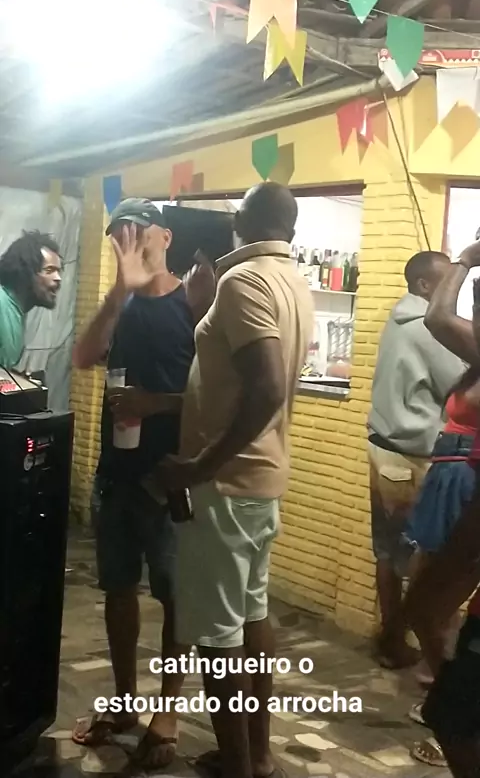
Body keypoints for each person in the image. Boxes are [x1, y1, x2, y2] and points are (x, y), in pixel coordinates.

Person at [138, 182, 313, 778]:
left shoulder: (244, 281)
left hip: (227, 486)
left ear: (241, 219)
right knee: (252, 614)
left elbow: (265, 386)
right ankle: (256, 755)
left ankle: (239, 766)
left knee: (217, 639)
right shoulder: (291, 280)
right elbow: (237, 380)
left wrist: (198, 467)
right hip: (259, 481)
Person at [71, 198, 214, 767]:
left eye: (139, 232)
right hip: (117, 472)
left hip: (171, 477)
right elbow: (83, 356)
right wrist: (117, 293)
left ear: (165, 237)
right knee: (118, 589)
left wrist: (156, 404)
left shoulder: (194, 301)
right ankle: (125, 700)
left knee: (175, 597)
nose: (129, 242)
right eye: (120, 234)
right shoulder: (122, 304)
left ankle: (168, 711)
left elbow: (214, 396)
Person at [367, 250, 465, 669]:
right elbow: (459, 381)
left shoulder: (399, 317)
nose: (454, 289)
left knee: (389, 553)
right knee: (425, 559)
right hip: (411, 456)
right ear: (424, 286)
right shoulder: (427, 326)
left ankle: (390, 639)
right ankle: (414, 647)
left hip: (385, 448)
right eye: (446, 280)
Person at [404, 240, 480, 776]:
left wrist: (466, 260)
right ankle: (450, 701)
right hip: (451, 476)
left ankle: (451, 705)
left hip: (466, 482)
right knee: (429, 606)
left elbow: (436, 316)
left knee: (431, 606)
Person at [0, 230, 62, 367]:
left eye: (59, 271)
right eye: (49, 270)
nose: (58, 278)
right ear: (25, 272)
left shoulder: (16, 311)